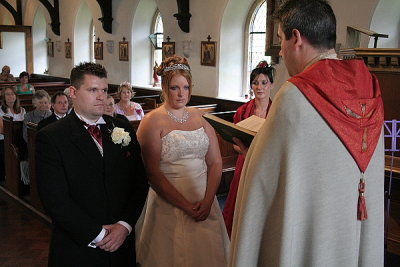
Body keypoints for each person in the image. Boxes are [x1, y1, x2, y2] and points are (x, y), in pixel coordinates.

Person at [228, 1, 384, 267]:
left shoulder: (296, 93)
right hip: (352, 223)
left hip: (313, 234)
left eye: (281, 40)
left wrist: (250, 151)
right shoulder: (369, 86)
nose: (282, 51)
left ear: (296, 38)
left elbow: (263, 182)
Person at [36, 62, 148, 267]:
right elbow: (55, 199)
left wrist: (124, 226)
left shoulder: (122, 127)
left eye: (104, 90)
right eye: (92, 90)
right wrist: (99, 234)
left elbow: (139, 182)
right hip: (78, 248)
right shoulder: (51, 136)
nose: (101, 97)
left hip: (122, 245)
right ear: (73, 92)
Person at [135, 55, 229, 267]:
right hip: (169, 201)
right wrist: (186, 206)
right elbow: (152, 174)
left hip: (204, 198)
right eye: (175, 87)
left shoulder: (200, 117)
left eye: (185, 87)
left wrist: (207, 201)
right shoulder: (152, 121)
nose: (181, 93)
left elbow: (215, 162)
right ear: (164, 86)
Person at [222, 60, 274, 237]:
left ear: (271, 85)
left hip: (268, 164)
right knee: (241, 201)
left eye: (264, 83)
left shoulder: (277, 111)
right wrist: (246, 149)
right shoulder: (242, 111)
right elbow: (235, 142)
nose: (259, 87)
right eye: (255, 83)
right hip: (246, 161)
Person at [0, 87, 26, 181]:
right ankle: (7, 177)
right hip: (4, 140)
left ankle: (22, 178)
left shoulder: (22, 110)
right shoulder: (0, 110)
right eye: (7, 94)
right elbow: (2, 130)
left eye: (12, 93)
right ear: (4, 97)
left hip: (19, 139)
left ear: (16, 96)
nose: (10, 96)